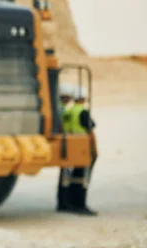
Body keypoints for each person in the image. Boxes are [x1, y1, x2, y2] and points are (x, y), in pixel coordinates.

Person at [56, 83, 98, 216]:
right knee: (82, 178)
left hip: (68, 146)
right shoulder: (82, 111)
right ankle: (79, 204)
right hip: (82, 149)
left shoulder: (68, 111)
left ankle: (64, 203)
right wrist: (95, 149)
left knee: (66, 177)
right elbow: (90, 131)